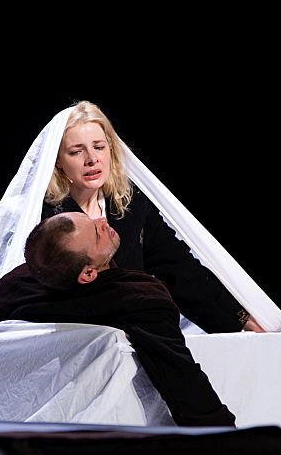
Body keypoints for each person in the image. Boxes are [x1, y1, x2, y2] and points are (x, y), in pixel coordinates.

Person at [0, 212, 237, 427]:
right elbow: (180, 377)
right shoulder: (139, 300)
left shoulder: (11, 292)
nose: (102, 221)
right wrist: (224, 436)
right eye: (96, 233)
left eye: (92, 220)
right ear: (88, 273)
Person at [42, 100, 266, 333]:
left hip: (137, 335)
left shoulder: (132, 204)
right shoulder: (45, 216)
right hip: (77, 337)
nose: (92, 159)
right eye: (77, 151)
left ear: (111, 149)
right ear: (57, 160)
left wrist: (238, 320)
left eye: (99, 147)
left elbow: (178, 268)